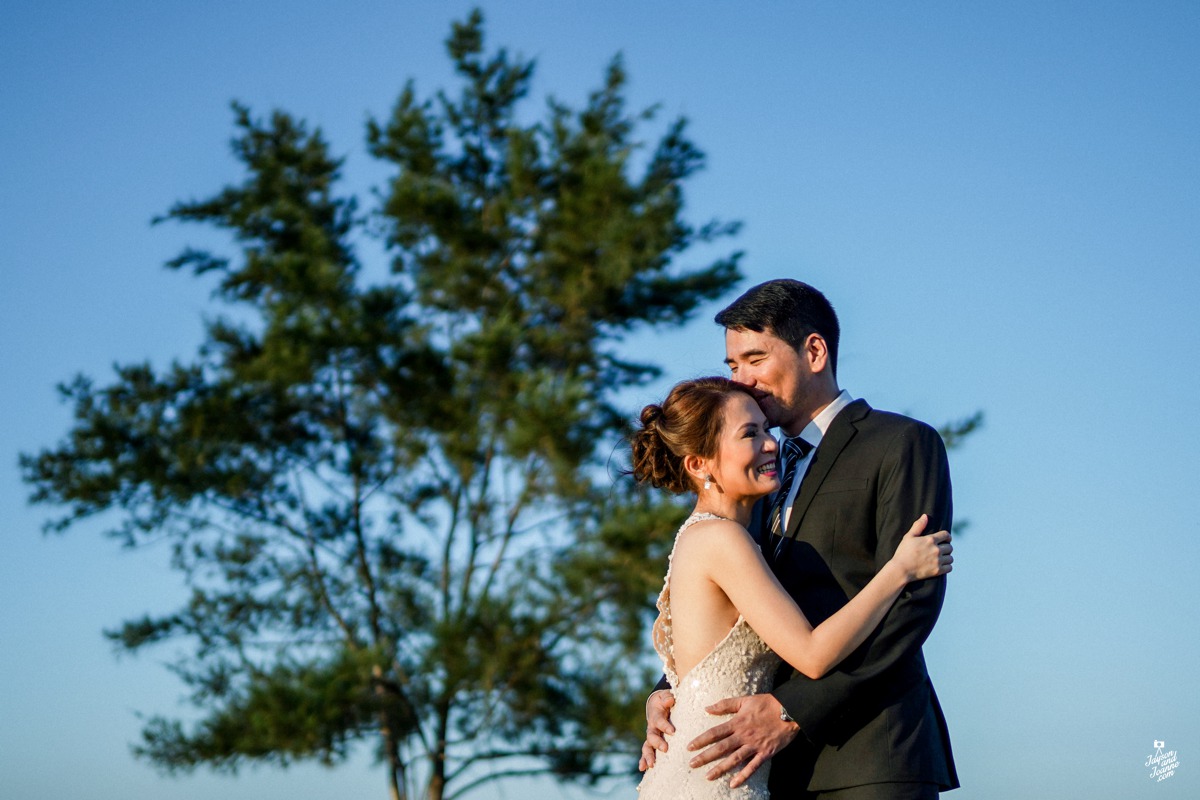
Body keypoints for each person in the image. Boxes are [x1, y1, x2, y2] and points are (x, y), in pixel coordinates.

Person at [643, 280, 960, 799]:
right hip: (761, 769)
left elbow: (913, 605)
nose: (741, 381)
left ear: (814, 351)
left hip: (870, 757)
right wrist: (669, 692)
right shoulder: (752, 474)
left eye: (754, 359)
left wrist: (793, 712)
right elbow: (734, 610)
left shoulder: (901, 443)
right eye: (732, 367)